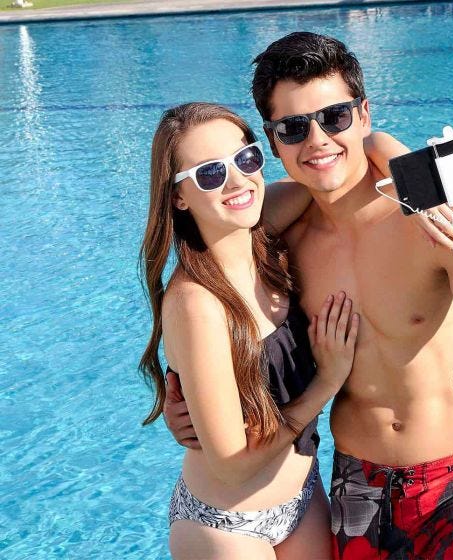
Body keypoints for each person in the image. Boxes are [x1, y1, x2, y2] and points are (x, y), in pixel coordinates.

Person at [165, 33, 453, 559]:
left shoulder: (438, 220)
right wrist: (185, 397)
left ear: (364, 115)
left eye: (336, 117)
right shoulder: (278, 243)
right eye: (294, 128)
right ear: (273, 144)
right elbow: (206, 264)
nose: (318, 140)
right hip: (357, 486)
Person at [138, 102, 364, 560]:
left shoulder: (262, 239)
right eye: (209, 173)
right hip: (226, 524)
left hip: (302, 500)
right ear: (178, 196)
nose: (237, 181)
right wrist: (328, 380)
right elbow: (233, 468)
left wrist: (385, 146)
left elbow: (330, 172)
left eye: (246, 158)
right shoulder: (197, 304)